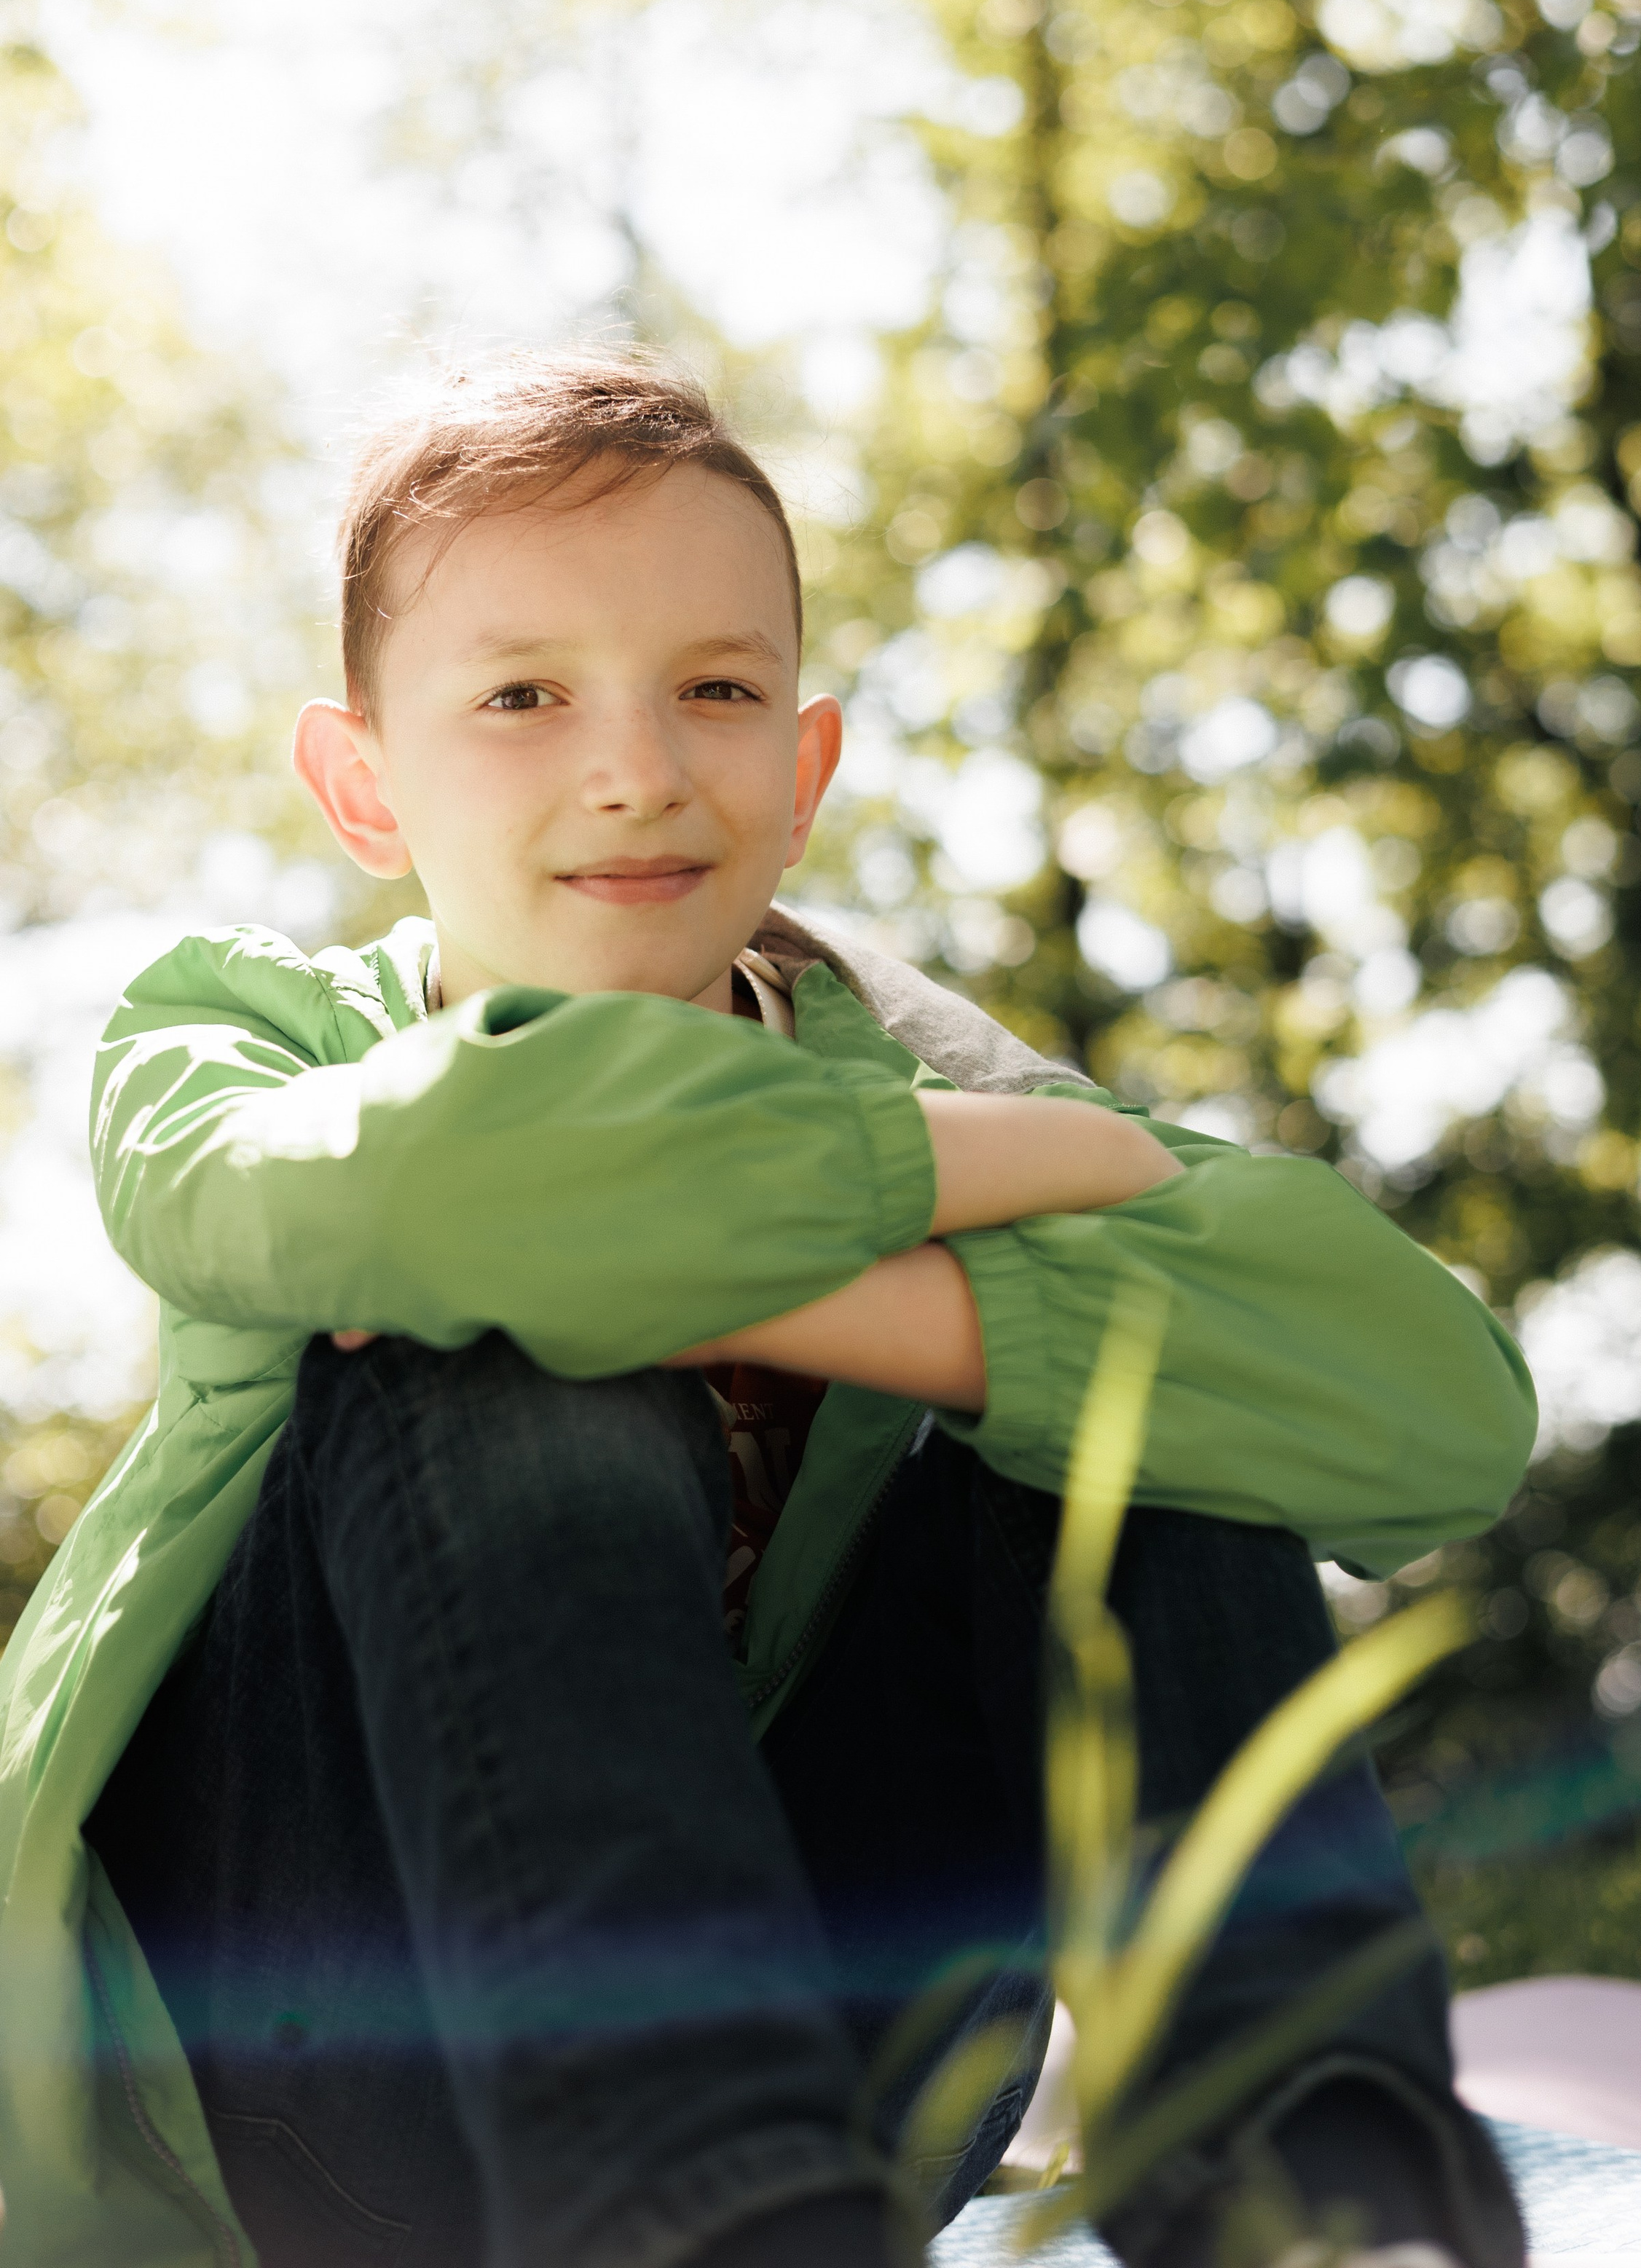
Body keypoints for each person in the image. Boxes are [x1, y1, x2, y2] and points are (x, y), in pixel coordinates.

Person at [0, 350, 1535, 2268]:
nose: (634, 766)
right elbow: (453, 1176)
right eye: (520, 697)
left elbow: (1443, 1406)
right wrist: (1002, 1178)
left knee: (1144, 1404)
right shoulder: (237, 1042)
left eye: (716, 690)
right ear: (362, 786)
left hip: (852, 2074)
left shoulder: (916, 1051)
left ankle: (1312, 2175)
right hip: (318, 2072)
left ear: (801, 776)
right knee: (493, 1333)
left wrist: (842, 1303)